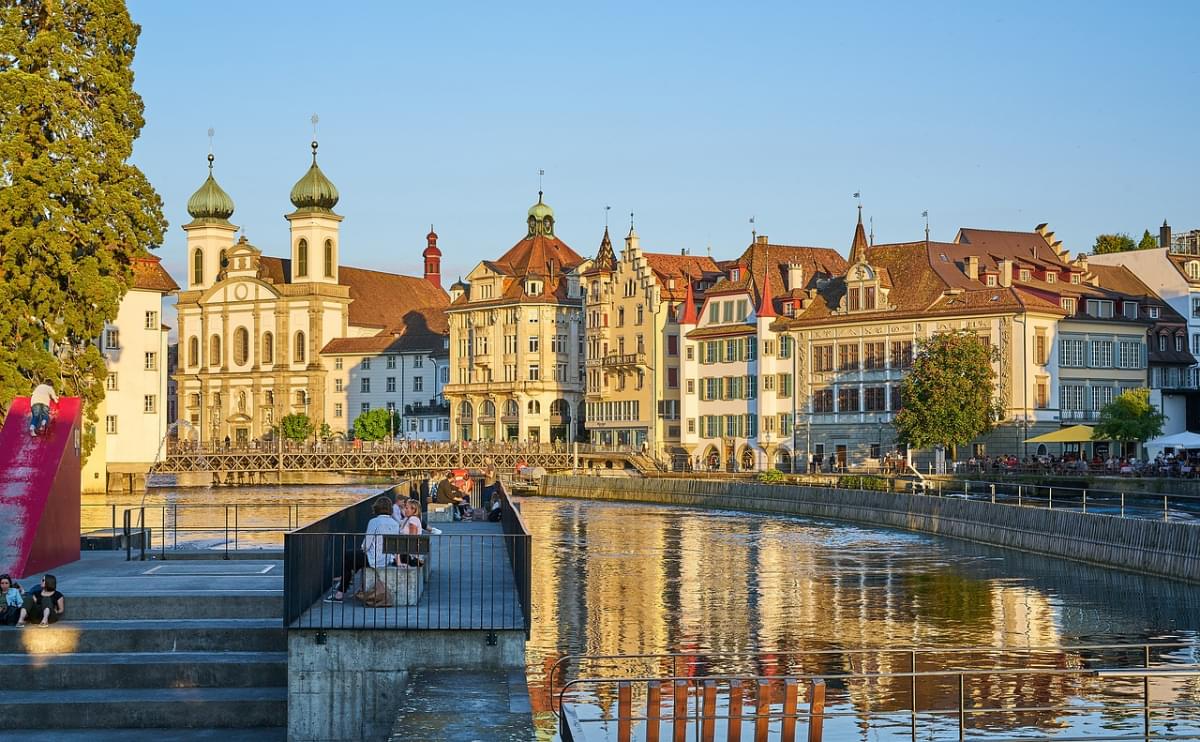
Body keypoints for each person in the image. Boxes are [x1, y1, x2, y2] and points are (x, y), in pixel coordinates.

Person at [326, 497, 399, 603]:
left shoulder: (374, 522)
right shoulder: (395, 523)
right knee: (353, 559)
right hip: (387, 559)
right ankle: (347, 580)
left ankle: (340, 592)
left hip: (373, 559)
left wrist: (362, 549)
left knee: (348, 555)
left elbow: (367, 544)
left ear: (377, 508)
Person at [395, 499, 425, 568]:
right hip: (406, 551)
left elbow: (412, 539)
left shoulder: (413, 520)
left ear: (413, 510)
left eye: (406, 508)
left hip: (409, 554)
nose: (405, 510)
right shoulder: (408, 519)